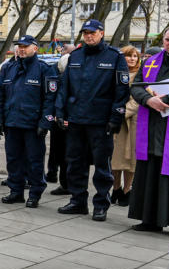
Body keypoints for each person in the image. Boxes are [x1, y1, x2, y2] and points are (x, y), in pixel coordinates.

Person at [55, 20, 129, 220]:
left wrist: (116, 117)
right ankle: (78, 201)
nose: (89, 36)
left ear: (101, 33)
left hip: (101, 120)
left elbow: (121, 90)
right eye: (85, 33)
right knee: (75, 163)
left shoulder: (114, 57)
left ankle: (101, 205)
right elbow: (64, 87)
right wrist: (60, 113)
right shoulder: (76, 56)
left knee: (102, 166)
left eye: (93, 32)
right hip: (76, 119)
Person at [128, 25, 169, 238]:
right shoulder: (150, 62)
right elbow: (136, 86)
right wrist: (148, 100)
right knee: (151, 171)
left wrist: (166, 100)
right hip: (153, 126)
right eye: (168, 40)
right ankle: (150, 220)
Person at [0, 35, 57, 207]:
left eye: (26, 46)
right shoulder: (9, 68)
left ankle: (35, 194)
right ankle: (16, 191)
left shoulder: (45, 69)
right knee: (13, 159)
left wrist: (45, 122)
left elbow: (50, 99)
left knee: (34, 161)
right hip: (12, 122)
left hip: (32, 124)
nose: (22, 49)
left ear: (35, 49)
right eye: (19, 46)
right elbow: (1, 96)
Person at [109, 46, 141, 206]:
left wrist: (121, 113)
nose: (132, 59)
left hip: (133, 122)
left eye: (135, 56)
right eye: (129, 56)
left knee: (130, 160)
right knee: (116, 158)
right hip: (115, 123)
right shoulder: (114, 73)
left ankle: (128, 190)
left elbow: (138, 99)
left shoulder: (140, 76)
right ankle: (116, 188)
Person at [47, 44, 77, 195]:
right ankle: (68, 184)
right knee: (67, 155)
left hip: (63, 121)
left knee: (62, 154)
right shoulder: (72, 80)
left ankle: (65, 184)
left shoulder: (60, 80)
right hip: (67, 121)